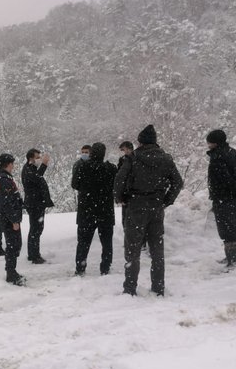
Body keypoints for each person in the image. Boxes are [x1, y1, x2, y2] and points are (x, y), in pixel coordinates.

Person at [114, 125, 183, 296]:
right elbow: (178, 182)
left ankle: (130, 288)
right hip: (156, 205)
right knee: (157, 248)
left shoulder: (133, 158)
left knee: (132, 248)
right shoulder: (166, 159)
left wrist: (120, 197)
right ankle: (158, 287)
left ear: (140, 141)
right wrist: (166, 200)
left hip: (136, 204)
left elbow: (119, 180)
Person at [72, 142, 118, 276]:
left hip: (86, 210)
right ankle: (105, 267)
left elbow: (75, 184)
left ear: (91, 153)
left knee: (83, 242)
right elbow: (117, 187)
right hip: (105, 211)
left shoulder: (82, 167)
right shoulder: (111, 169)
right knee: (107, 242)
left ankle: (80, 268)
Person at [206, 129, 236, 268]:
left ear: (215, 143)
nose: (208, 144)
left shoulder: (218, 157)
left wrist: (232, 191)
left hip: (225, 198)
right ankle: (231, 256)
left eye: (209, 142)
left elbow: (224, 179)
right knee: (231, 227)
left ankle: (234, 259)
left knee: (226, 229)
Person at [0, 153, 26, 286]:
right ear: (8, 164)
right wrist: (14, 221)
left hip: (3, 216)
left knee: (13, 245)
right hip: (9, 218)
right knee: (13, 246)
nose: (13, 166)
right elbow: (6, 202)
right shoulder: (4, 179)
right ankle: (11, 274)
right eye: (12, 163)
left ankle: (11, 271)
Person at [21, 148, 54, 264]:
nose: (39, 159)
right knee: (35, 229)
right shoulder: (28, 169)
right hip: (34, 204)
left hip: (37, 203)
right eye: (37, 157)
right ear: (31, 158)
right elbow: (38, 178)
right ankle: (34, 256)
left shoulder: (31, 169)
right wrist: (44, 164)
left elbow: (38, 177)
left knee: (36, 229)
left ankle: (33, 254)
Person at [117, 141, 134, 226]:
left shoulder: (129, 160)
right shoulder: (123, 160)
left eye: (124, 149)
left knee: (128, 220)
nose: (124, 152)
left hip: (130, 193)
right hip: (129, 193)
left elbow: (120, 178)